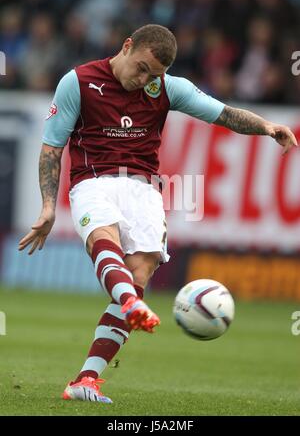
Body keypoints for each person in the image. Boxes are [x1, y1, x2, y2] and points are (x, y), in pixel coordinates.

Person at [18, 24, 297, 404]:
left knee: (141, 271)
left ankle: (86, 379)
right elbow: (52, 148)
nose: (145, 80)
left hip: (144, 188)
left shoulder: (167, 88)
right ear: (127, 46)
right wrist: (49, 205)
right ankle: (131, 303)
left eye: (155, 74)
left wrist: (267, 127)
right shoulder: (78, 82)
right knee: (106, 239)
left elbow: (224, 115)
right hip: (93, 181)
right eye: (143, 68)